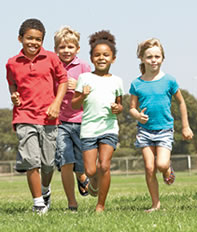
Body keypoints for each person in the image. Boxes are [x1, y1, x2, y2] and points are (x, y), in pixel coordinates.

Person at [5, 18, 68, 214]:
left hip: (48, 117)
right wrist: (14, 95)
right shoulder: (12, 63)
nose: (33, 42)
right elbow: (12, 84)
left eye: (38, 39)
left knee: (48, 163)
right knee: (31, 161)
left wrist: (56, 104)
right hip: (24, 117)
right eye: (29, 38)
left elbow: (63, 80)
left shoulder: (51, 58)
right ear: (20, 38)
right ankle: (38, 203)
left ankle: (45, 190)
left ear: (43, 41)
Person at [129, 38, 193, 212]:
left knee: (161, 165)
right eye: (149, 57)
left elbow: (181, 103)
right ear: (142, 58)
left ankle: (167, 170)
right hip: (145, 131)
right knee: (149, 168)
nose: (153, 60)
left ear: (163, 58)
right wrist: (137, 115)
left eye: (157, 56)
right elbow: (132, 108)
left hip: (164, 129)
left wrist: (185, 127)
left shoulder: (169, 81)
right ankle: (155, 204)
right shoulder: (137, 83)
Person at [72, 30, 124, 212]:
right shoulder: (84, 78)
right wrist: (82, 95)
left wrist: (118, 109)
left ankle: (100, 205)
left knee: (104, 165)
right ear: (92, 58)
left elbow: (120, 105)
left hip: (109, 128)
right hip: (88, 129)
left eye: (106, 55)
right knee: (91, 171)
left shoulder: (117, 81)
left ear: (113, 58)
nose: (101, 58)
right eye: (97, 55)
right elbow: (73, 104)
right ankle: (93, 184)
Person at [54, 26, 92, 211]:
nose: (66, 51)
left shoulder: (84, 67)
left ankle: (82, 177)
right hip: (60, 122)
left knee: (82, 163)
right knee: (65, 161)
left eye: (70, 47)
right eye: (62, 47)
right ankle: (72, 202)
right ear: (56, 49)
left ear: (77, 49)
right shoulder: (53, 65)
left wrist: (79, 85)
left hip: (81, 120)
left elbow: (93, 92)